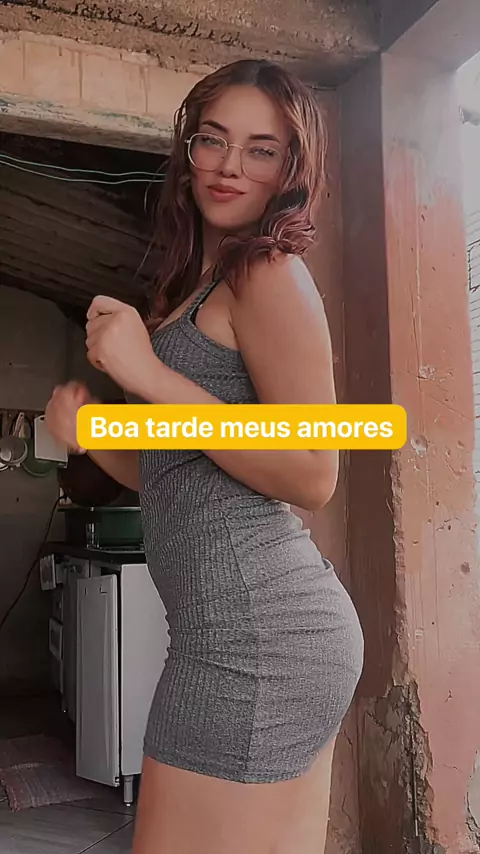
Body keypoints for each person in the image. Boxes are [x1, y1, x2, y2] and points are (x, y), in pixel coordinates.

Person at [45, 59, 364, 854]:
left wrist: (150, 376)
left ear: (291, 170)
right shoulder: (201, 285)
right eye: (213, 140)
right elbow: (175, 471)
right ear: (188, 150)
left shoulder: (269, 274)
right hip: (233, 633)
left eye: (261, 149)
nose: (229, 165)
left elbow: (312, 470)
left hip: (258, 635)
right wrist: (95, 436)